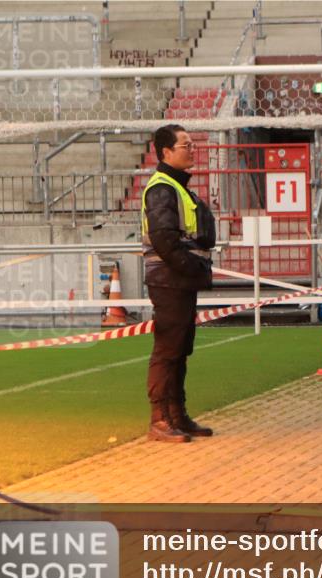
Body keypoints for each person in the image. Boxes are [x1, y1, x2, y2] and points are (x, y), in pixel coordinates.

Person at [141, 124, 217, 442]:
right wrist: (191, 267)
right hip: (170, 280)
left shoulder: (177, 187)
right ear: (166, 152)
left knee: (180, 349)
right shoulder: (162, 188)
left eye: (192, 144)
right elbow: (164, 240)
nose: (192, 149)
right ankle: (160, 419)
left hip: (180, 280)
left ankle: (177, 415)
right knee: (168, 350)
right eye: (186, 145)